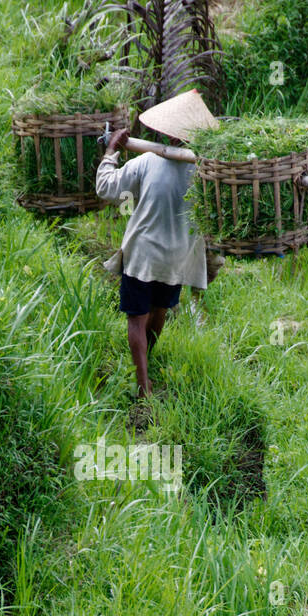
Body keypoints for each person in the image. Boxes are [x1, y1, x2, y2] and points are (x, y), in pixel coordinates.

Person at [95, 88, 219, 399]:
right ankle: (146, 364)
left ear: (169, 134)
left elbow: (106, 188)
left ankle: (142, 384)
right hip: (177, 258)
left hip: (143, 255)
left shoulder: (147, 162)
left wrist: (111, 152)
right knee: (160, 309)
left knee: (136, 318)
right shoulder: (206, 173)